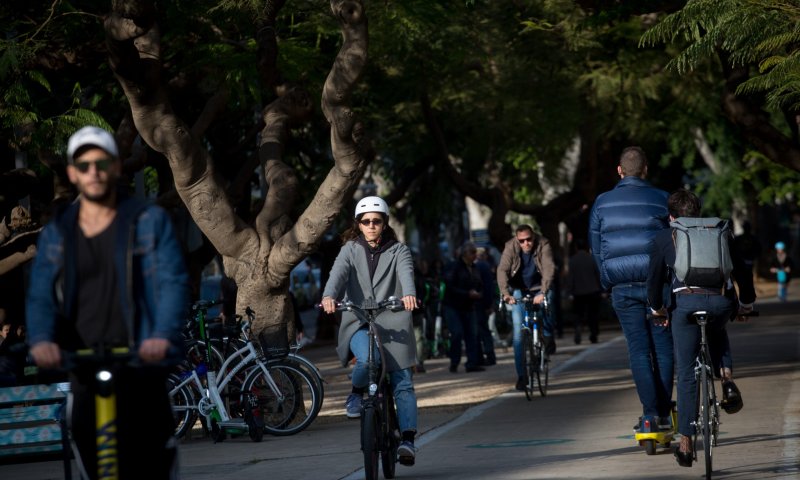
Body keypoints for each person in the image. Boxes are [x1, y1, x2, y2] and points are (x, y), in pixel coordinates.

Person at [26, 126, 189, 480]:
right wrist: (41, 340)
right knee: (89, 452)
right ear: (73, 173)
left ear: (115, 167)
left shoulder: (147, 221)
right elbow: (41, 294)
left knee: (152, 458)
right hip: (84, 364)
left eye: (101, 163)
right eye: (84, 165)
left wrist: (160, 336)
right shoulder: (59, 232)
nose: (93, 172)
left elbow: (171, 282)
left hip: (140, 361)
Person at [647, 189, 754, 467]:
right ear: (699, 212)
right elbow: (742, 271)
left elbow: (654, 280)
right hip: (720, 302)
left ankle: (685, 443)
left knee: (686, 373)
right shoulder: (721, 231)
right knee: (717, 329)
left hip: (684, 305)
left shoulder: (664, 236)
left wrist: (657, 308)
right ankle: (727, 381)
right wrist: (746, 303)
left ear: (671, 217)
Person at [320, 195, 420, 466]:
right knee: (366, 360)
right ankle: (356, 392)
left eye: (377, 221)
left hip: (394, 320)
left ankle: (408, 440)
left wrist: (409, 294)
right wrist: (329, 296)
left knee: (402, 381)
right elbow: (337, 275)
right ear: (359, 224)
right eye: (366, 221)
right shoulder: (349, 250)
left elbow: (406, 274)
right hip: (359, 320)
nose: (372, 225)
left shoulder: (399, 250)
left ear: (385, 223)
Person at [589, 146, 674, 433]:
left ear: (619, 170)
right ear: (645, 169)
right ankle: (665, 412)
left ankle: (650, 414)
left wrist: (607, 280)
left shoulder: (601, 203)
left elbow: (596, 248)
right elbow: (674, 242)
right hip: (657, 284)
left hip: (622, 285)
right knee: (663, 348)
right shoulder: (662, 199)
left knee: (638, 351)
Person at [496, 224, 557, 391]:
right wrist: (505, 294)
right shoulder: (510, 247)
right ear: (517, 239)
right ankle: (522, 376)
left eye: (528, 239)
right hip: (520, 290)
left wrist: (543, 292)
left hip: (540, 288)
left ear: (533, 236)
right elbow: (502, 270)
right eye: (521, 241)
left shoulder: (543, 244)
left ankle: (547, 335)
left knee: (547, 308)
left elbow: (549, 268)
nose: (526, 243)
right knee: (518, 335)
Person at [442, 242, 485, 373]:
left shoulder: (474, 268)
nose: (475, 255)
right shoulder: (454, 266)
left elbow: (480, 284)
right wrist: (467, 293)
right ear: (464, 254)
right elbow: (450, 286)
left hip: (469, 306)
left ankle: (471, 363)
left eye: (475, 252)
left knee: (472, 335)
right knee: (457, 333)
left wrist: (479, 293)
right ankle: (454, 362)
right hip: (453, 306)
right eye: (472, 252)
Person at [566, 238, 602, 344]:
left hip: (578, 292)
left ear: (576, 247)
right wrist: (602, 289)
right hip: (593, 290)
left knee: (578, 315)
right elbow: (598, 274)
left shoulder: (572, 260)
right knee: (593, 315)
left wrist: (569, 291)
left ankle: (578, 329)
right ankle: (594, 334)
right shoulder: (591, 259)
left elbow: (570, 278)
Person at [474, 248, 498, 365]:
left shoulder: (480, 266)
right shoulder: (485, 266)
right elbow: (489, 286)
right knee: (483, 329)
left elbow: (487, 287)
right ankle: (488, 355)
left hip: (479, 302)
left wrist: (488, 304)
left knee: (481, 330)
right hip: (482, 302)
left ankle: (486, 355)